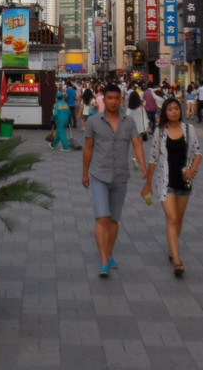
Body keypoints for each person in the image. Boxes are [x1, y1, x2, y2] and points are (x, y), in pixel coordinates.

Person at [82, 84, 147, 278]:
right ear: (105, 99)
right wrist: (84, 173)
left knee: (113, 220)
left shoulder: (128, 122)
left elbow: (137, 143)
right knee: (102, 217)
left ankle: (109, 253)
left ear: (121, 100)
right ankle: (104, 260)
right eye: (109, 98)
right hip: (99, 175)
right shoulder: (94, 121)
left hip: (120, 176)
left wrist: (143, 165)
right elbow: (88, 148)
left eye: (116, 98)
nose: (113, 101)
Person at [142, 98, 201, 278]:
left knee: (179, 218)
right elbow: (153, 158)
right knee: (172, 217)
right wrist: (148, 183)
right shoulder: (160, 133)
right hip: (165, 180)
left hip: (183, 180)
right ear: (165, 113)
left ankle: (172, 247)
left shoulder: (189, 130)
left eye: (176, 109)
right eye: (170, 109)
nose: (174, 112)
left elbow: (198, 152)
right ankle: (177, 261)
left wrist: (192, 170)